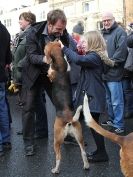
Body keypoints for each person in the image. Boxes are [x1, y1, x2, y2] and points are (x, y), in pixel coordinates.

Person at [57, 30, 116, 163]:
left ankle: (102, 154)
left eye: (84, 42)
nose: (82, 44)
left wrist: (63, 47)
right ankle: (100, 151)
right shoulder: (94, 56)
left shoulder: (94, 57)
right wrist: (67, 37)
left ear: (93, 42)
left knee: (94, 126)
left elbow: (77, 59)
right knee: (92, 125)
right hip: (93, 96)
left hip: (93, 97)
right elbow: (78, 55)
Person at [21, 9, 71, 156]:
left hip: (51, 74)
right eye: (58, 29)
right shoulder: (32, 32)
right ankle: (29, 143)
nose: (61, 33)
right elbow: (31, 56)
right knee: (28, 108)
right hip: (32, 74)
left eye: (62, 29)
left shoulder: (62, 31)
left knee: (61, 104)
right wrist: (46, 59)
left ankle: (67, 135)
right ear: (49, 24)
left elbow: (66, 47)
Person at [101, 12, 128, 134]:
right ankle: (112, 120)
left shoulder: (120, 32)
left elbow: (120, 55)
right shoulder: (102, 33)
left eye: (108, 20)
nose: (106, 22)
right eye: (104, 21)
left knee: (117, 101)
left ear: (113, 20)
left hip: (115, 73)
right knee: (109, 99)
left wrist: (107, 64)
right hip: (104, 73)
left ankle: (119, 124)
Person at [0, 21, 12, 156]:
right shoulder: (5, 31)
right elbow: (9, 57)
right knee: (2, 108)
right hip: (1, 75)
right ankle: (6, 141)